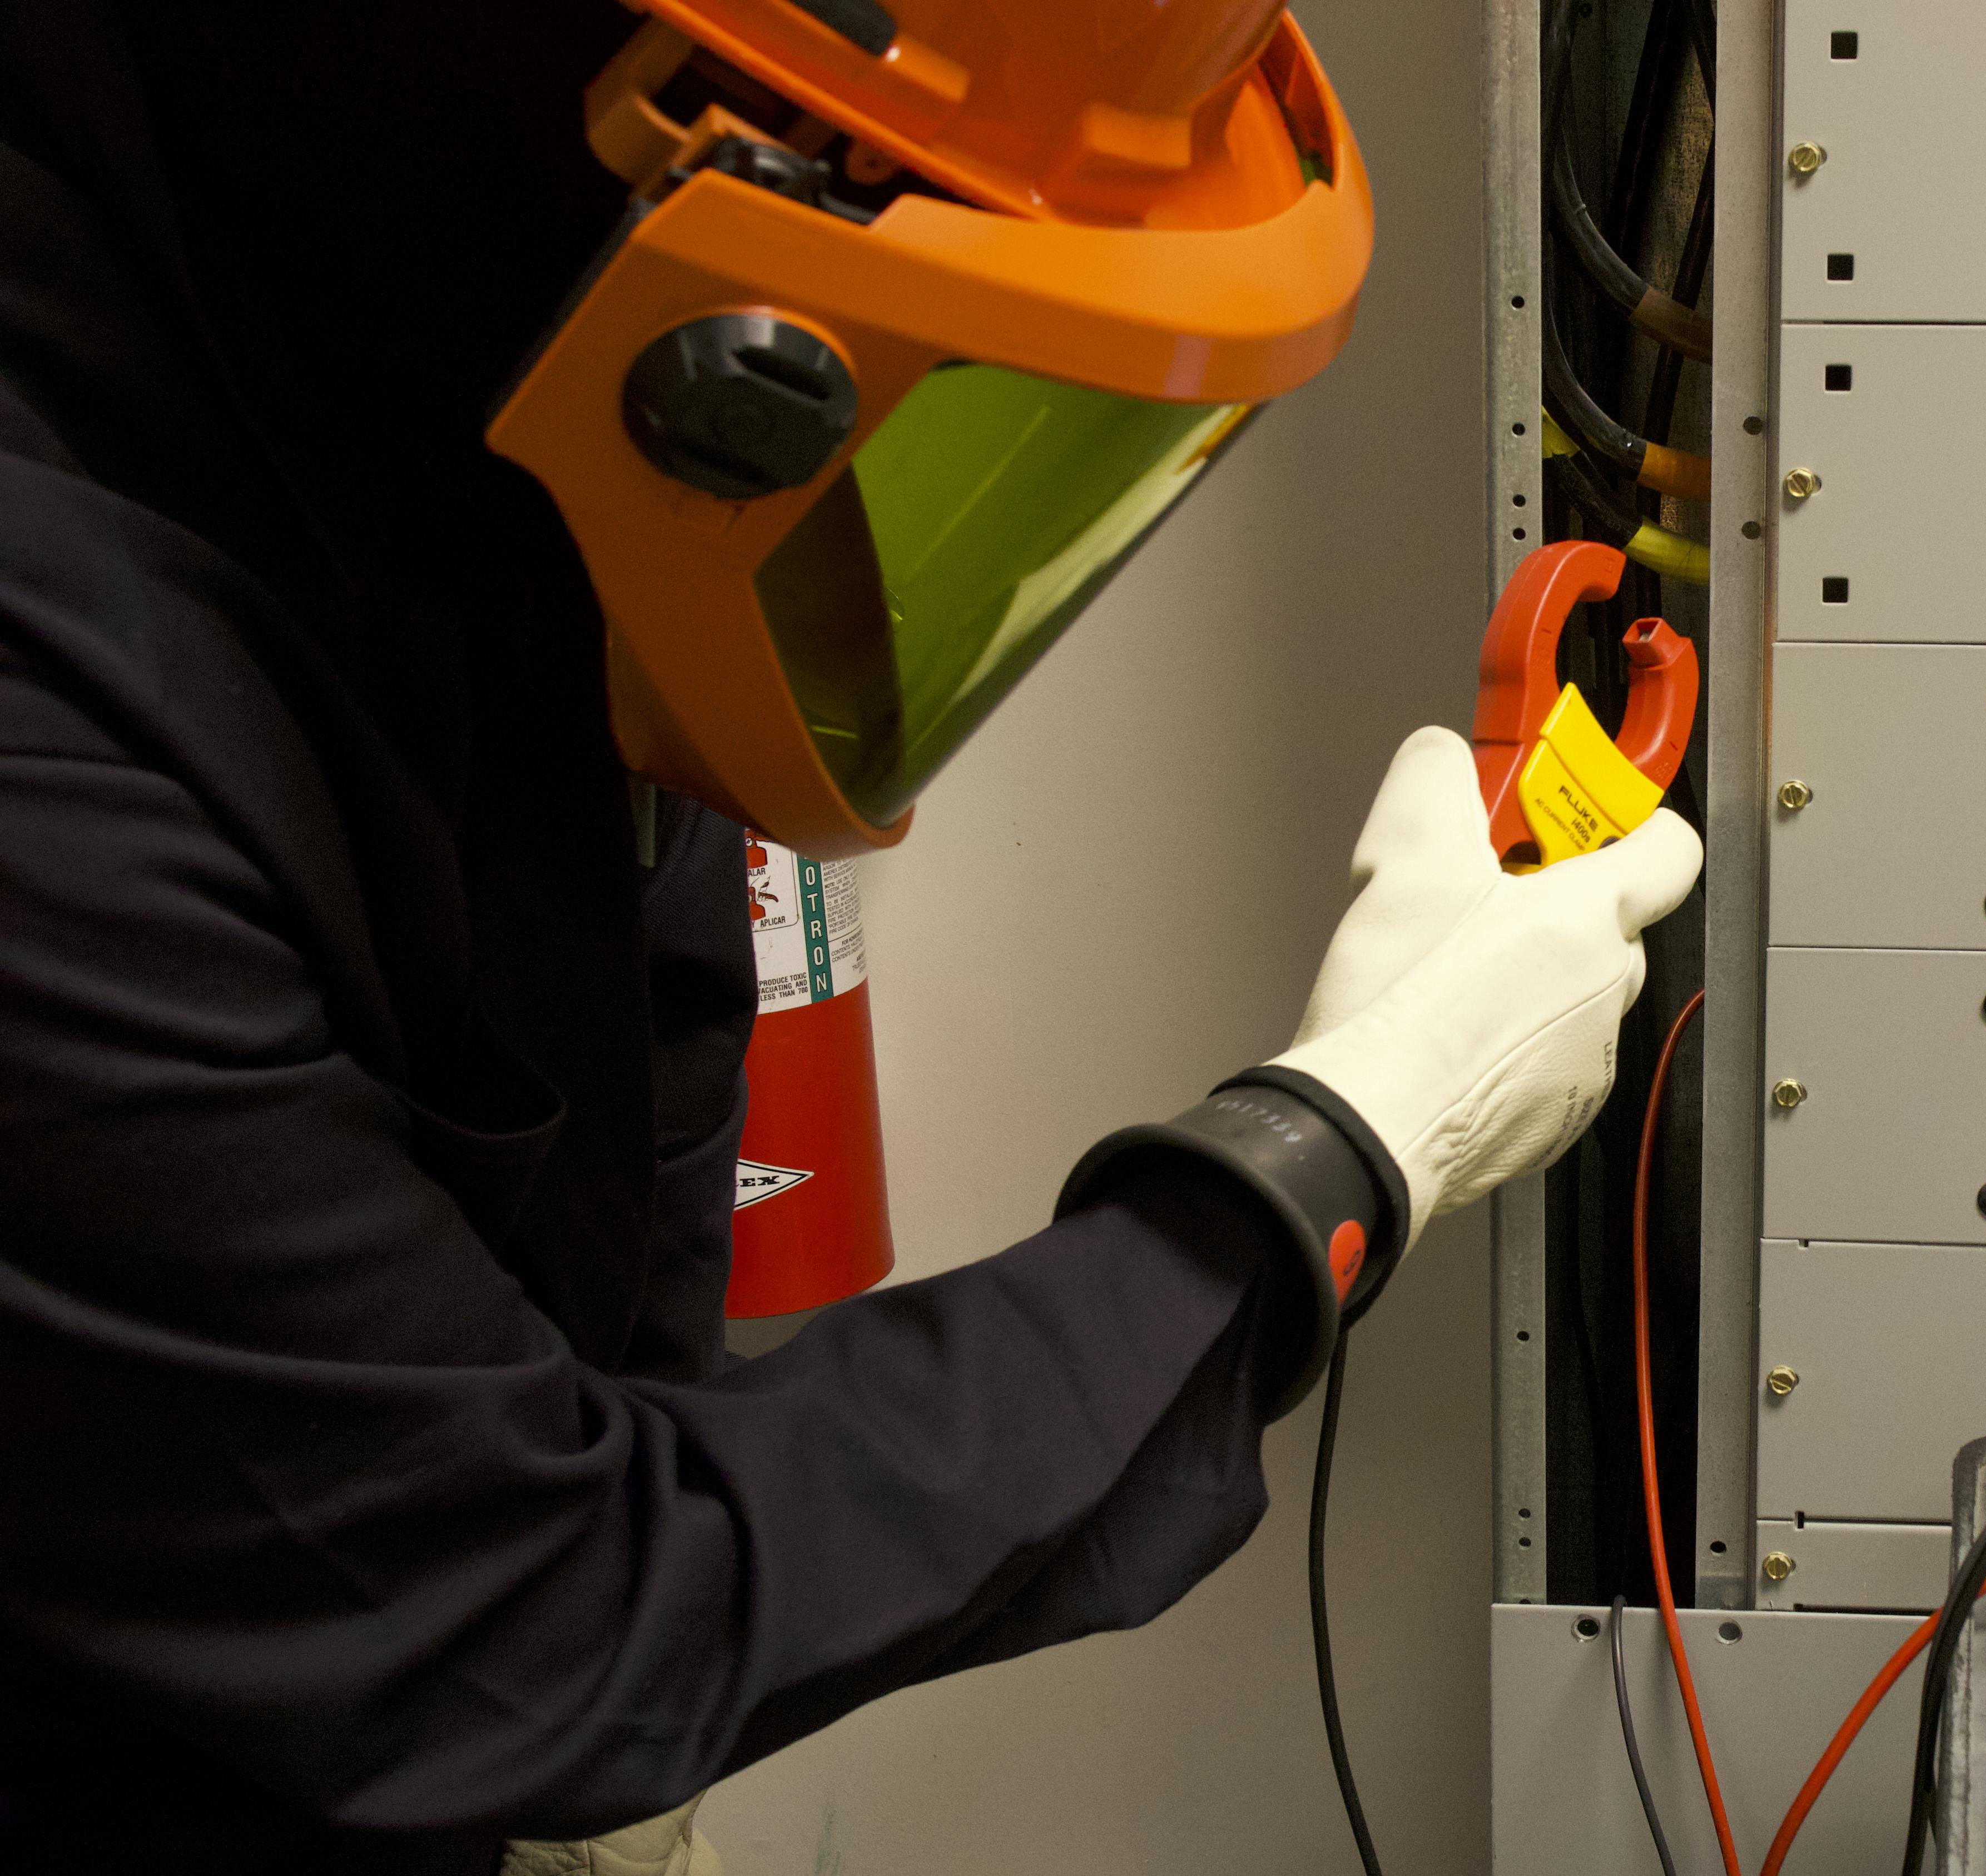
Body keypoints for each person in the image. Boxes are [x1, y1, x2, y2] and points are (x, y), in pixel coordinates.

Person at [0, 3, 1700, 1870]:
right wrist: (1338, 1145)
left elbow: (613, 1091)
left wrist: (641, 1655)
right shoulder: (59, 734)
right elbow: (518, 1614)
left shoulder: (407, 367)